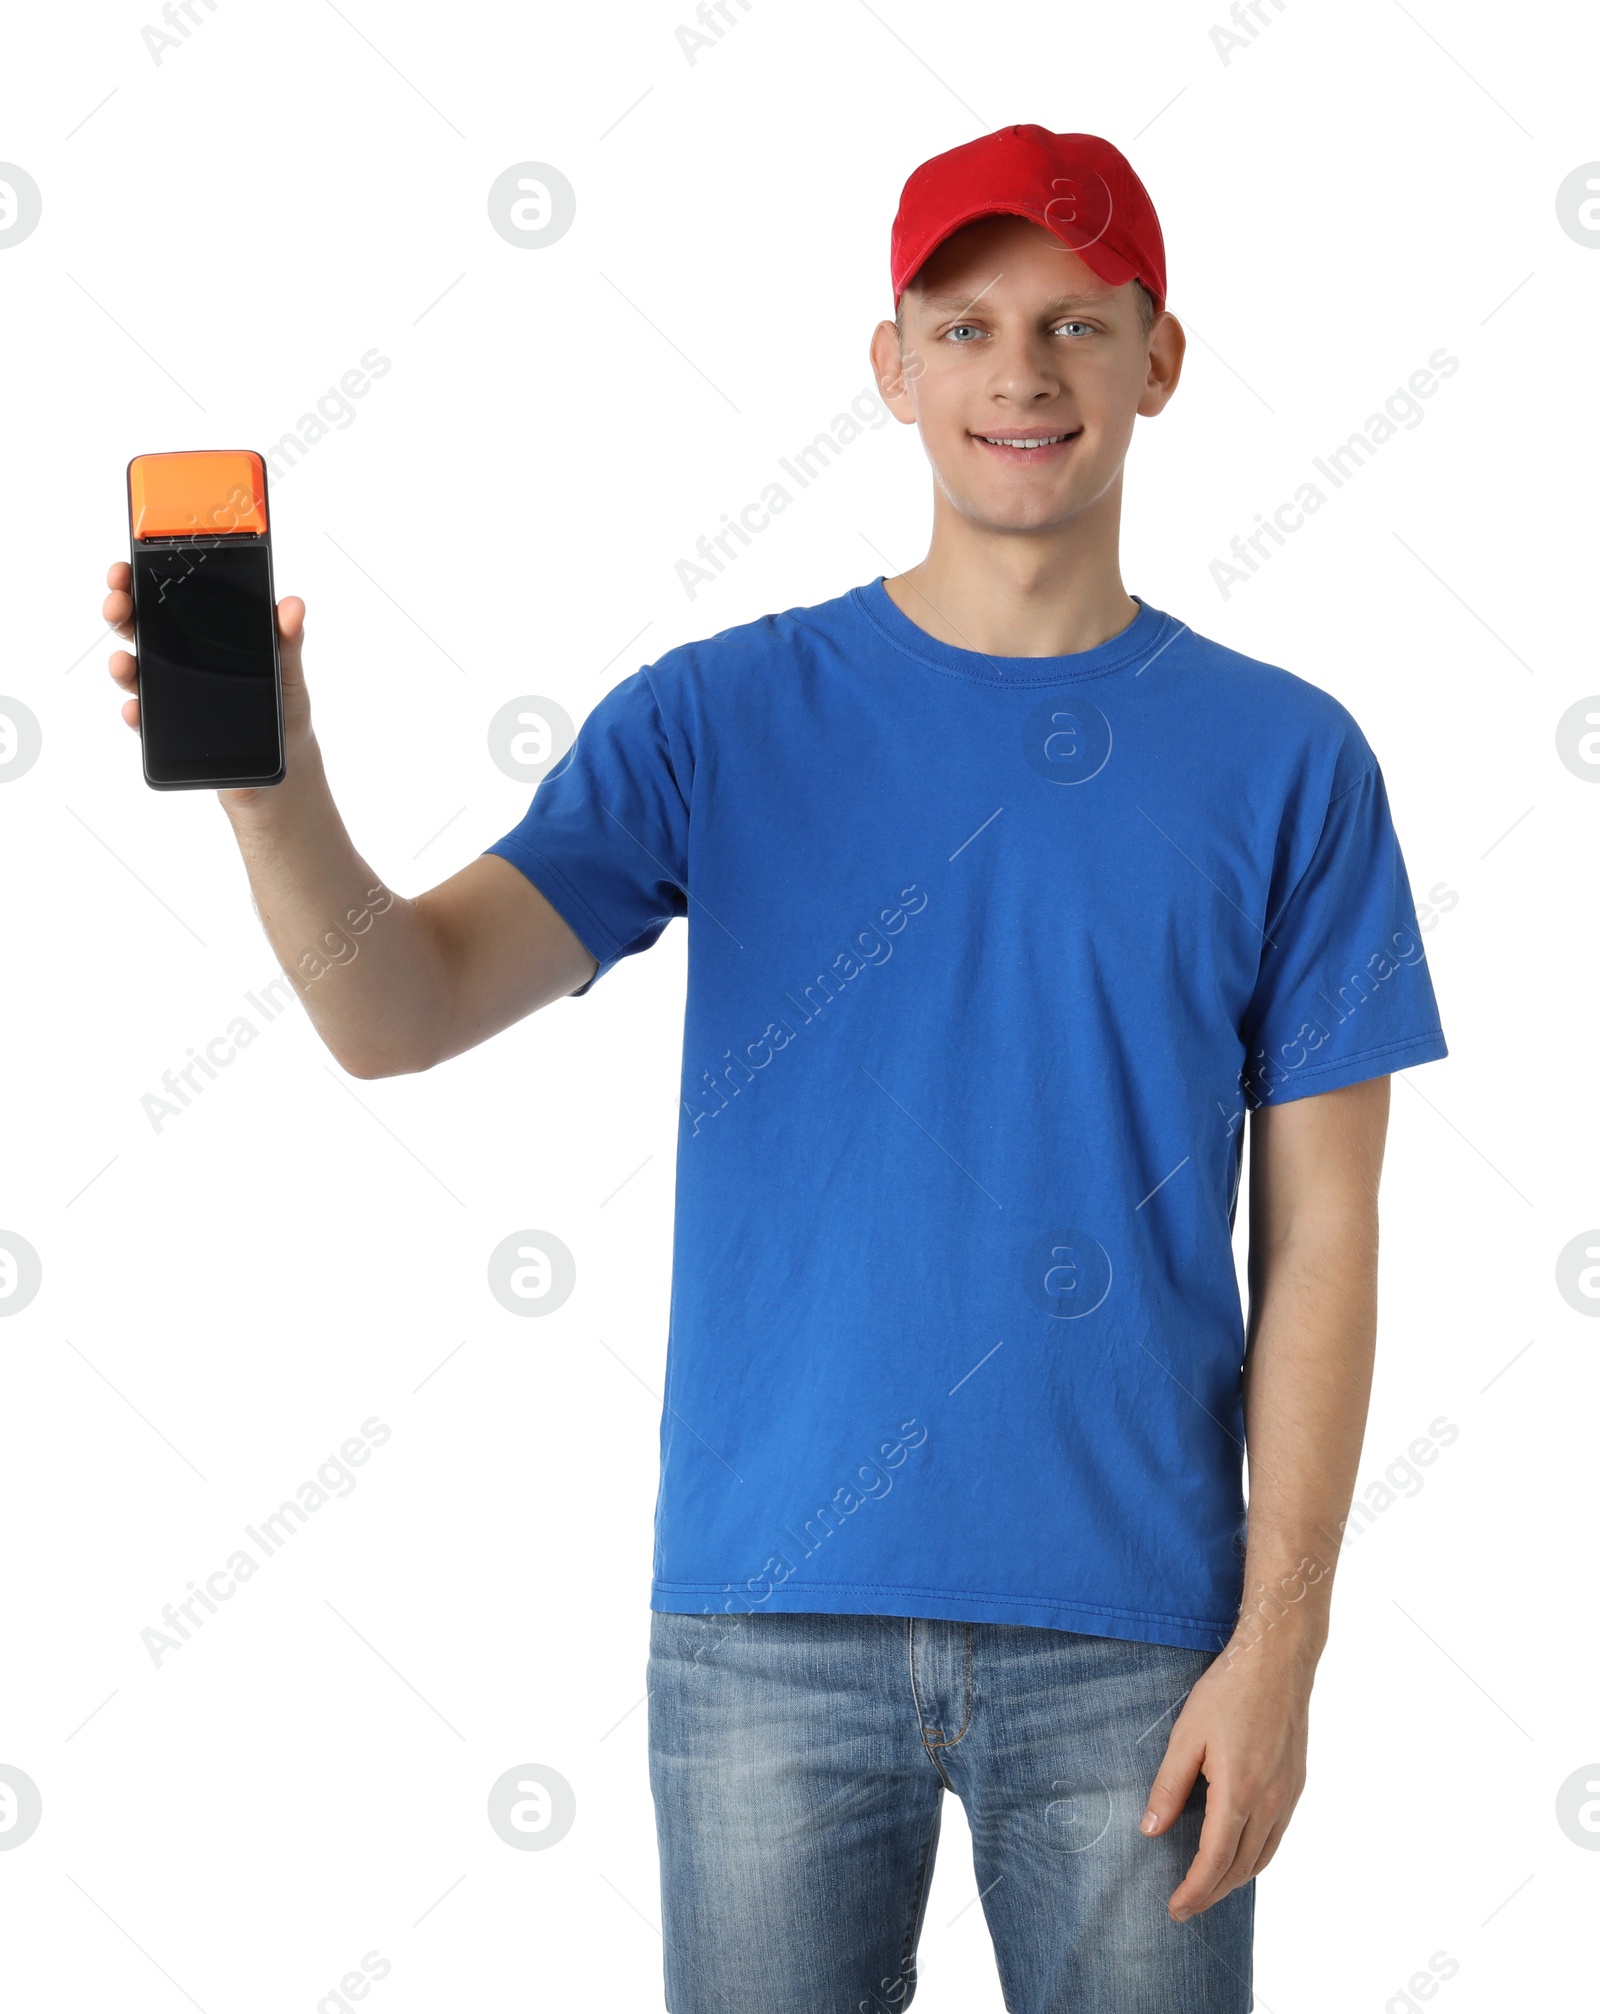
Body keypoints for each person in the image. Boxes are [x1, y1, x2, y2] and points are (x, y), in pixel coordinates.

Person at [104, 123, 1447, 2014]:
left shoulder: (1291, 763)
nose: (1020, 373)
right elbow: (391, 1008)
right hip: (765, 1632)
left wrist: (1282, 1644)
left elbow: (1326, 1238)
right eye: (964, 323)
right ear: (892, 367)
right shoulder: (719, 720)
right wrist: (271, 785)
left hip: (1141, 1642)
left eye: (1077, 321)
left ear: (1160, 358)